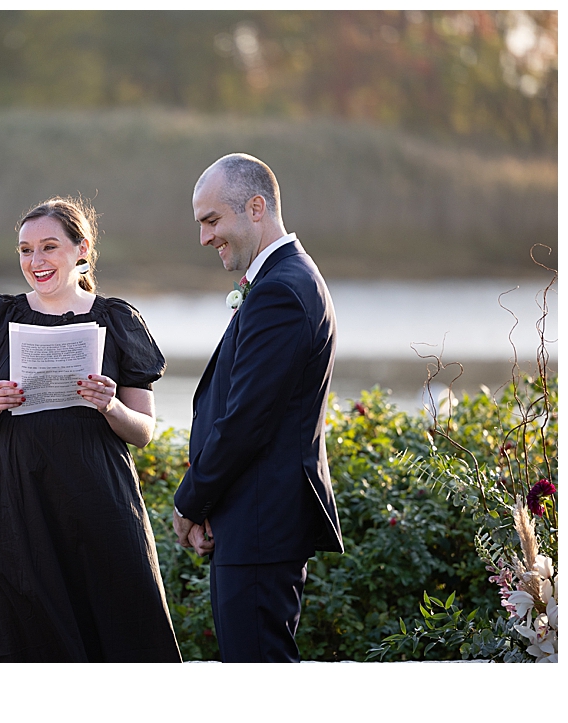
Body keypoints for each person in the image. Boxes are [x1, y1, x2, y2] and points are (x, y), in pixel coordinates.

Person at [0, 197, 182, 662]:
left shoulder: (117, 320)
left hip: (97, 505)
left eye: (49, 247)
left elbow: (143, 431)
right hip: (10, 506)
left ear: (82, 249)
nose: (35, 262)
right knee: (24, 648)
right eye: (25, 250)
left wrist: (110, 405)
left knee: (120, 634)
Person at [172, 153, 343, 663]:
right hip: (248, 522)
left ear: (255, 207)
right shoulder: (282, 281)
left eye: (211, 221)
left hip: (262, 526)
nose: (204, 237)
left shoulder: (282, 292)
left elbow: (246, 423)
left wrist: (190, 504)